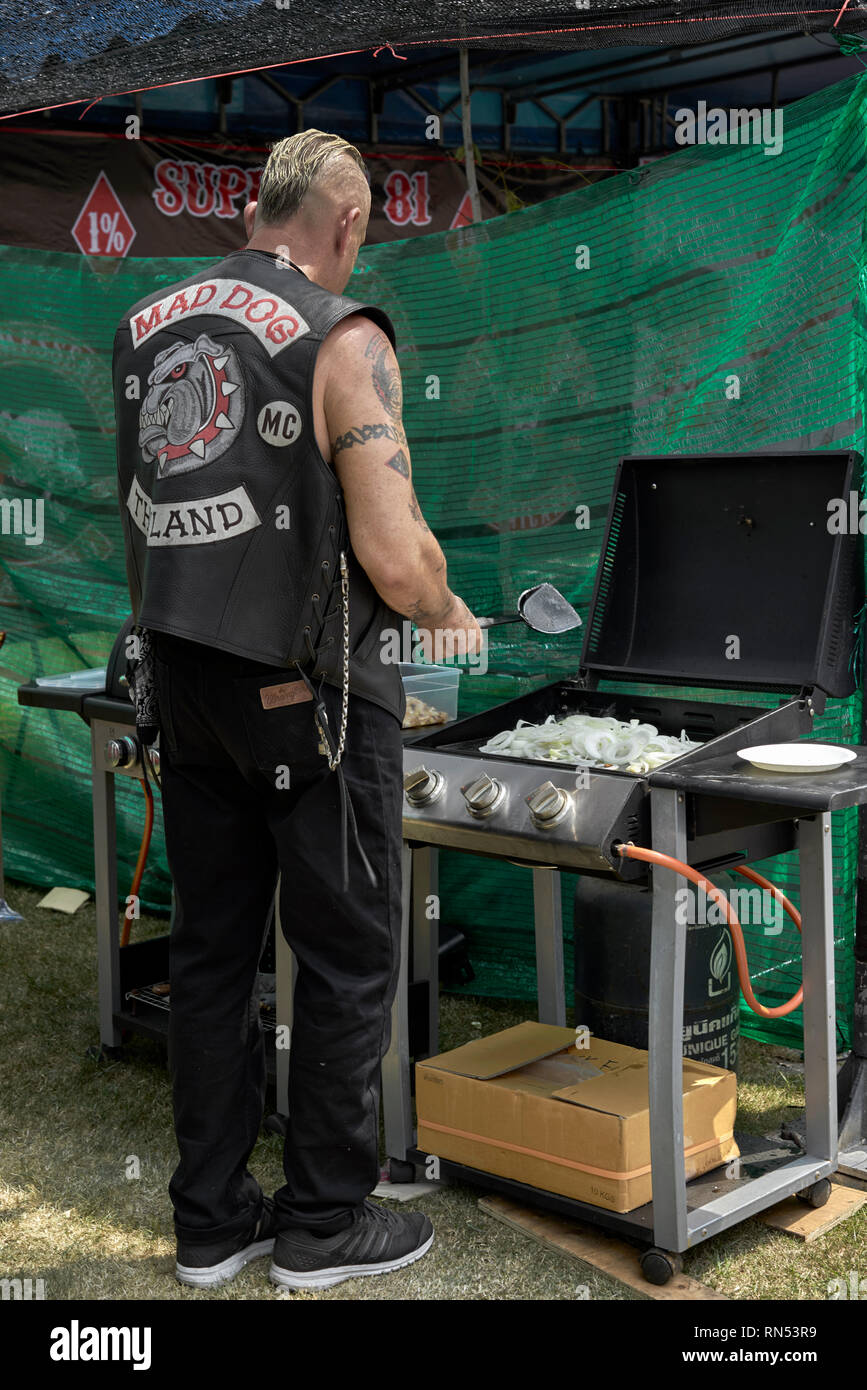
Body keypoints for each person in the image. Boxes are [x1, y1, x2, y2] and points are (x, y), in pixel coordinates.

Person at [112, 129, 482, 1292]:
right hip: (313, 694)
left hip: (184, 683)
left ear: (258, 207)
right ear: (348, 222)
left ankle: (212, 1224)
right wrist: (450, 603)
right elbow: (391, 549)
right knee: (345, 956)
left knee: (213, 952)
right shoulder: (346, 335)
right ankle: (325, 1221)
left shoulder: (148, 322)